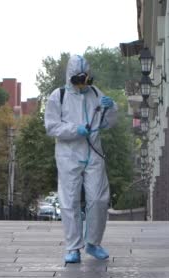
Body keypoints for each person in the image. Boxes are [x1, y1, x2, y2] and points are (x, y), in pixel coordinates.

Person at [44, 55, 118, 263]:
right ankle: (73, 247)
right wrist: (74, 130)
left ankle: (93, 243)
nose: (82, 84)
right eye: (79, 79)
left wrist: (111, 108)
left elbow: (108, 123)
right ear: (71, 77)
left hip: (93, 153)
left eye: (85, 78)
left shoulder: (95, 93)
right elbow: (52, 127)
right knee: (70, 201)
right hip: (69, 155)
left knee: (98, 199)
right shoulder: (57, 97)